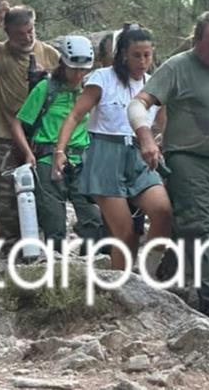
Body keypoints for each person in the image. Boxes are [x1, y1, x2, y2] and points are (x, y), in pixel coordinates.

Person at [128, 11, 209, 332]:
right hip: (189, 160)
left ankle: (196, 280)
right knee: (202, 229)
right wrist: (146, 139)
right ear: (197, 40)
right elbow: (138, 104)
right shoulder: (177, 68)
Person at [55, 24, 172, 271]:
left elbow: (161, 125)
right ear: (124, 55)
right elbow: (75, 115)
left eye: (147, 55)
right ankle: (122, 283)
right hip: (106, 156)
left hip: (140, 157)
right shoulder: (103, 78)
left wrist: (159, 145)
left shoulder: (154, 85)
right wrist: (60, 151)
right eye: (136, 55)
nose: (143, 61)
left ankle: (150, 272)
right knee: (125, 232)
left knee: (163, 211)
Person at [0, 3, 59, 254]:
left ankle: (41, 246)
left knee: (44, 192)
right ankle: (10, 247)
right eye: (20, 34)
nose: (27, 38)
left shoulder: (49, 54)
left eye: (31, 31)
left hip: (41, 136)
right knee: (4, 192)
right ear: (8, 32)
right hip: (5, 136)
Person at [9, 35, 103, 252]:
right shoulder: (46, 88)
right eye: (74, 70)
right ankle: (56, 263)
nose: (78, 75)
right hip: (47, 159)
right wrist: (28, 153)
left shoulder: (89, 90)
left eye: (83, 70)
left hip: (81, 160)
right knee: (54, 220)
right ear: (63, 64)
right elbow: (17, 123)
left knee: (92, 218)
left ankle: (90, 262)